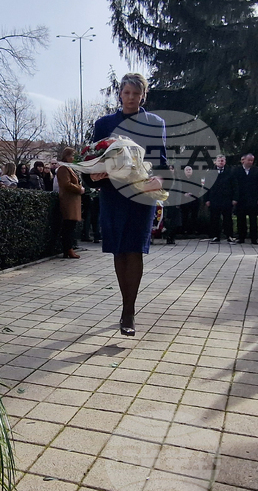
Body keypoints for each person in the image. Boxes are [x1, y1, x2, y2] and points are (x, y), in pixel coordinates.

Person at [88, 72, 166, 337]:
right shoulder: (104, 124)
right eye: (126, 93)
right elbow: (93, 159)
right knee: (119, 250)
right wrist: (93, 175)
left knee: (134, 249)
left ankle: (128, 311)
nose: (131, 98)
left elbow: (161, 162)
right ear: (120, 94)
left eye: (136, 93)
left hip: (141, 195)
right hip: (112, 194)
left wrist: (158, 179)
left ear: (143, 95)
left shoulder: (155, 123)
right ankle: (126, 304)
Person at [56, 148, 84, 259]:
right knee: (68, 227)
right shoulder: (63, 168)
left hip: (72, 201)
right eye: (72, 156)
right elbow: (66, 184)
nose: (74, 158)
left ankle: (69, 248)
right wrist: (79, 188)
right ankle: (68, 249)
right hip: (68, 201)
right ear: (66, 156)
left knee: (71, 227)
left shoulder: (69, 168)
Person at [232, 153, 258, 244]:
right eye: (249, 160)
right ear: (243, 160)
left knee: (253, 220)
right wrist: (234, 198)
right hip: (240, 198)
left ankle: (254, 238)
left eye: (252, 160)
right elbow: (234, 185)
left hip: (253, 199)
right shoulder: (236, 170)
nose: (250, 162)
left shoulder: (256, 170)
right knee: (240, 219)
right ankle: (241, 237)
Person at [203, 155, 235, 243]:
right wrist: (206, 199)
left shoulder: (230, 172)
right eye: (219, 160)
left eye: (223, 160)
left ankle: (229, 235)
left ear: (225, 162)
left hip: (227, 198)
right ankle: (215, 236)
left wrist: (234, 198)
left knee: (228, 218)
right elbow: (206, 187)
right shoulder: (210, 173)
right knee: (214, 218)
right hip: (214, 199)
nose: (221, 162)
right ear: (215, 162)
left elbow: (235, 186)